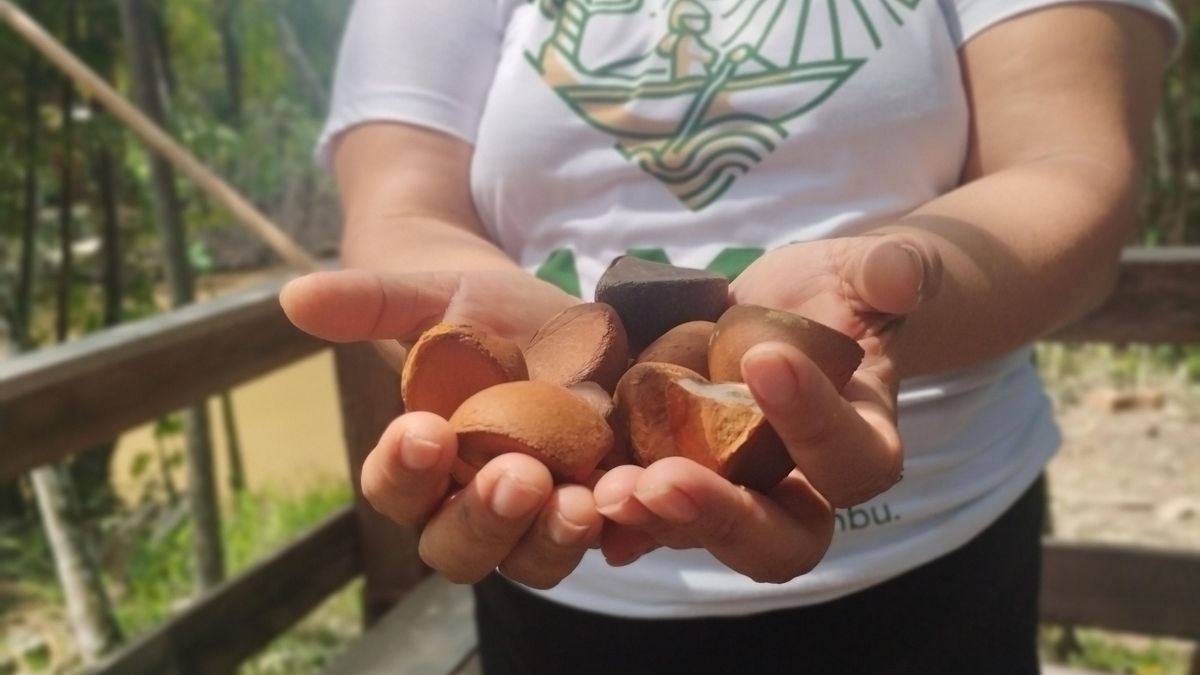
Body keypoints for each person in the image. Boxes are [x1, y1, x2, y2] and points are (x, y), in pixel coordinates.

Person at [280, 1, 1182, 673]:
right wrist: (472, 339)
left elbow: (1071, 170)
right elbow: (404, 204)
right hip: (563, 578)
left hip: (942, 558)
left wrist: (896, 286)